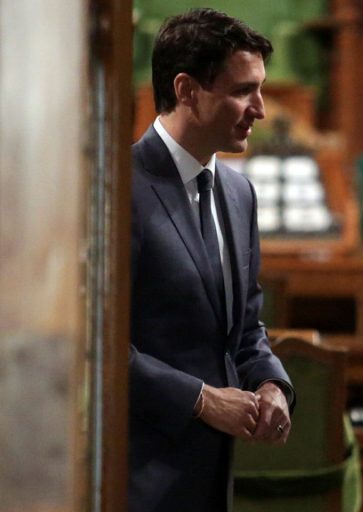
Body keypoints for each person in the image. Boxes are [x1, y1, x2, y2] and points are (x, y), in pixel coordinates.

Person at [129, 8, 294, 511]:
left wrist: (270, 383)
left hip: (212, 482)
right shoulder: (119, 188)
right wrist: (199, 399)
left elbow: (244, 328)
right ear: (186, 90)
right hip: (139, 477)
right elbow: (96, 345)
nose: (261, 109)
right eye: (243, 91)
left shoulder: (240, 193)